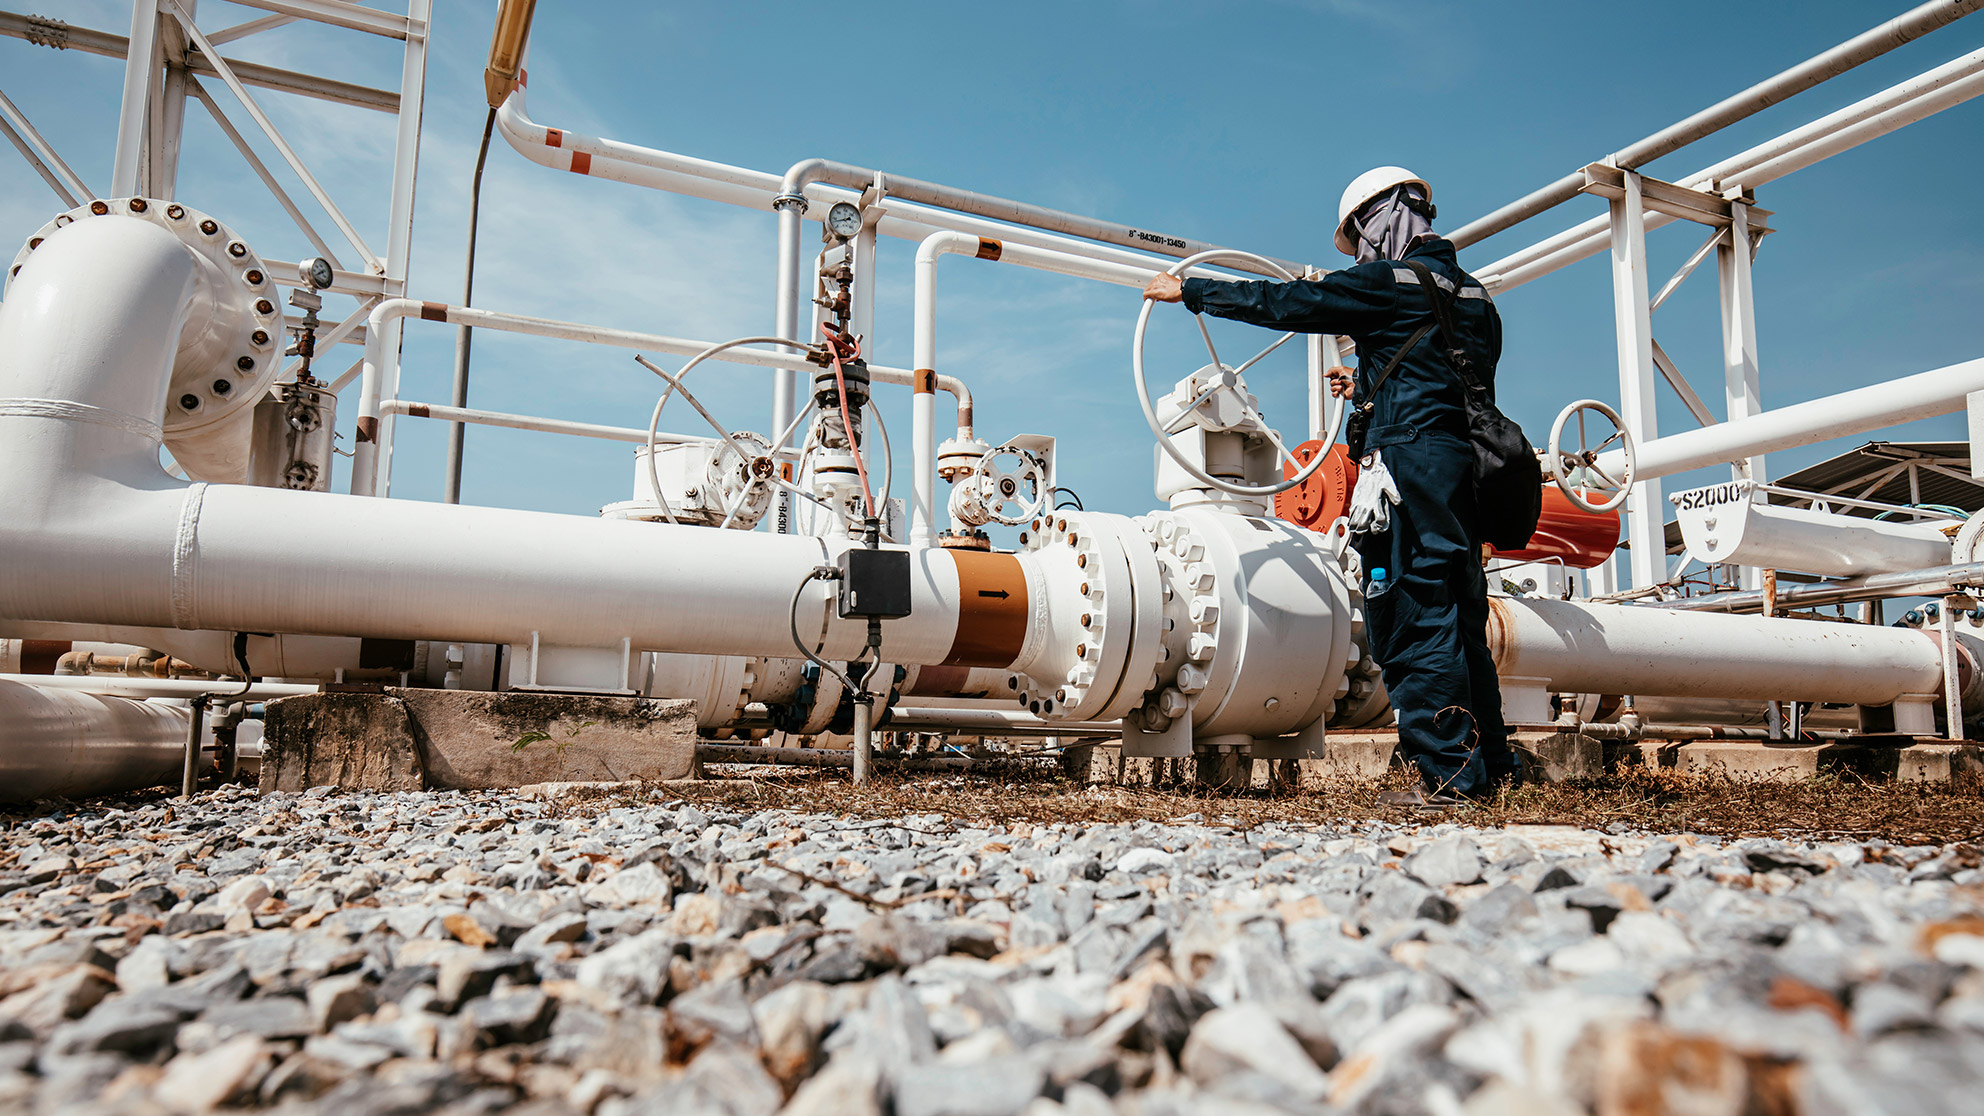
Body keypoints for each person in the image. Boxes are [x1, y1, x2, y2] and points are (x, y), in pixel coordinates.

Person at [1143, 166, 1515, 805]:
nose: (1362, 248)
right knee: (1460, 613)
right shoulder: (1477, 296)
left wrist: (1194, 291)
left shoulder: (1387, 282)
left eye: (1361, 233)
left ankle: (1448, 775)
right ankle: (1491, 766)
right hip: (1463, 472)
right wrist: (1367, 390)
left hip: (1408, 468)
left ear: (1382, 217)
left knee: (1411, 612)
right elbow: (1442, 381)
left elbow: (1292, 304)